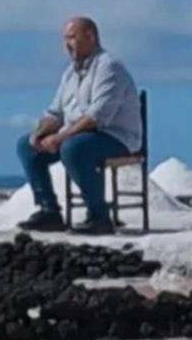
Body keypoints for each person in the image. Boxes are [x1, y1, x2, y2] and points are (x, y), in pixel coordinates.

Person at [15, 16, 143, 235]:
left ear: (90, 36)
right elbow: (56, 112)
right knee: (26, 145)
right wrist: (40, 133)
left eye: (72, 37)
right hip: (80, 136)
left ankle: (99, 217)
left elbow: (97, 117)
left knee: (73, 148)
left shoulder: (109, 67)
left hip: (115, 137)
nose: (67, 44)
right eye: (65, 38)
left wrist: (59, 138)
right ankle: (49, 212)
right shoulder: (70, 73)